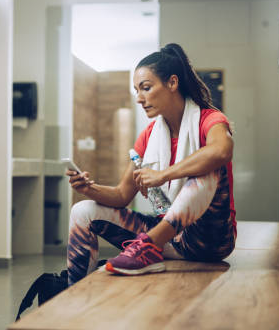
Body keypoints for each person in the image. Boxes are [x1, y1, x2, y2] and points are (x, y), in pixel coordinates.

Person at [66, 43, 236, 286]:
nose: (139, 98)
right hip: (170, 237)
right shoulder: (148, 136)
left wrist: (162, 175)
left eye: (145, 88)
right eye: (137, 90)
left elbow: (221, 151)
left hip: (210, 240)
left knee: (207, 167)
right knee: (82, 211)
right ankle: (73, 291)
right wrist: (88, 189)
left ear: (172, 83)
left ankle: (147, 247)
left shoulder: (209, 120)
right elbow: (122, 194)